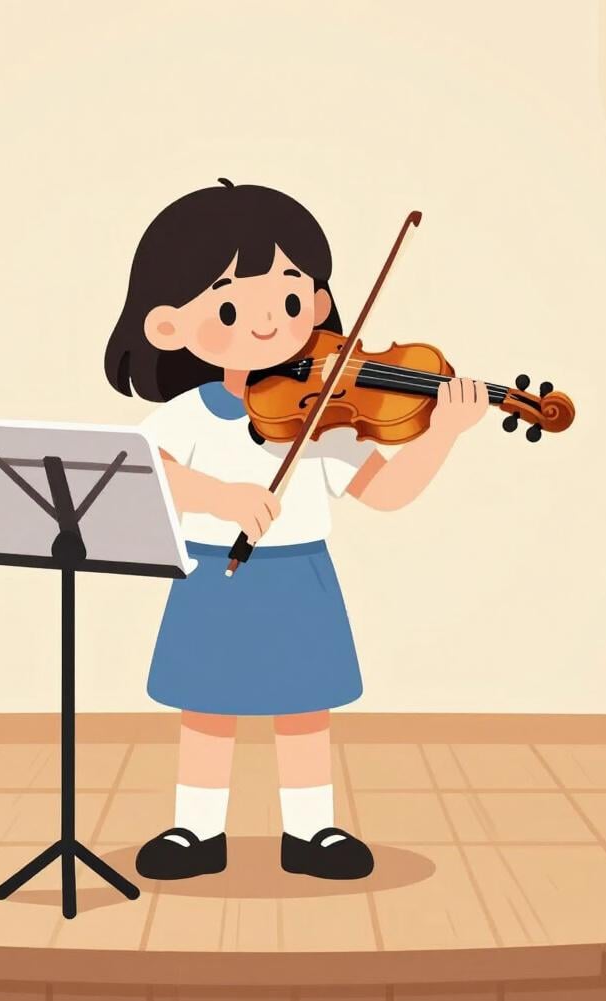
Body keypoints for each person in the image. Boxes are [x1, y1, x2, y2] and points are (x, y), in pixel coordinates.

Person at [104, 179, 487, 880]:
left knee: (304, 712)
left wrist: (444, 434)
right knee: (208, 712)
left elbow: (391, 490)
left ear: (315, 304)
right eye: (228, 304)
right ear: (168, 326)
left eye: (288, 299)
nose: (266, 325)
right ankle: (196, 832)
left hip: (298, 576)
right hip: (210, 576)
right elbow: (142, 472)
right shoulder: (191, 413)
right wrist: (218, 496)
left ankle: (312, 833)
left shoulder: (329, 413)